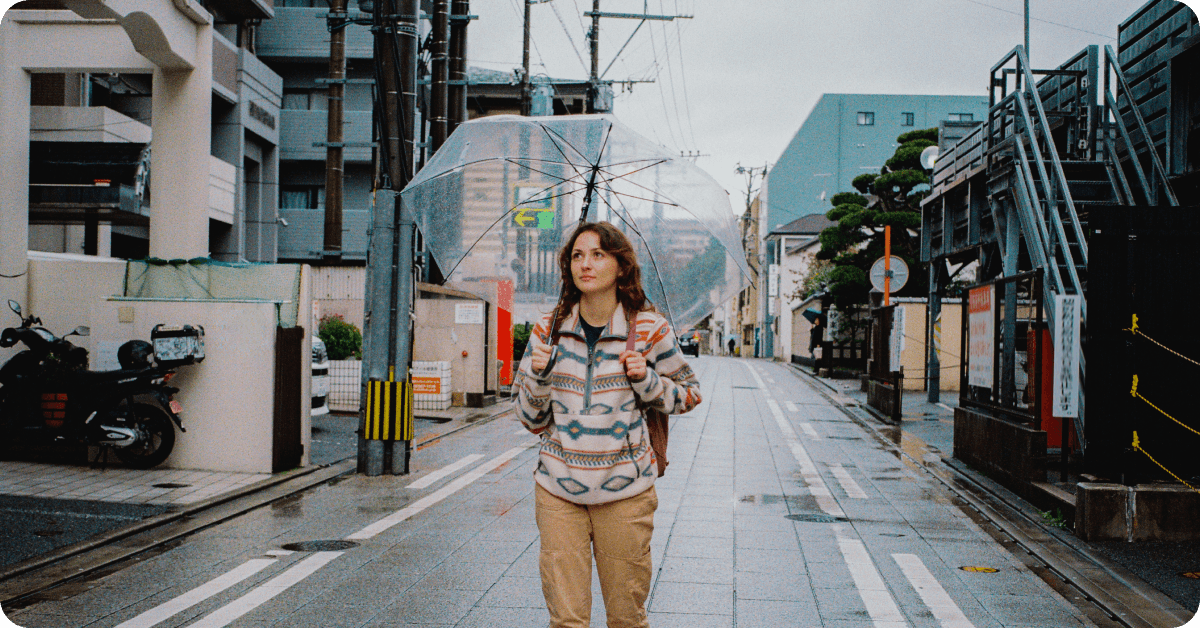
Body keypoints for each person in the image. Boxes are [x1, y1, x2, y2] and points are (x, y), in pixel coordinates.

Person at [513, 221, 702, 628]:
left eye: (598, 254)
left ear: (621, 265)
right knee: (566, 621)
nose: (586, 264)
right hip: (557, 488)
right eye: (577, 255)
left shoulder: (649, 328)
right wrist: (539, 376)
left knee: (626, 618)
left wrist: (646, 380)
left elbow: (689, 394)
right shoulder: (548, 331)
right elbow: (529, 417)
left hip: (626, 491)